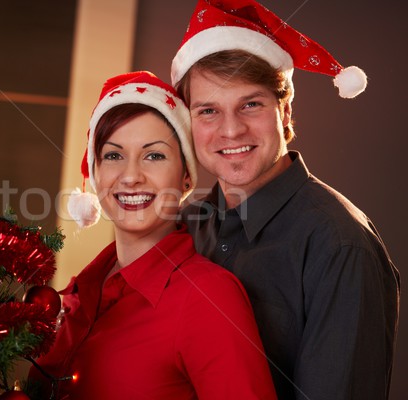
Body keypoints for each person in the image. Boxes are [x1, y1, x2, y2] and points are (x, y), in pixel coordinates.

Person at [170, 1, 401, 399]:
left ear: (286, 111)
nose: (231, 130)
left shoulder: (340, 244)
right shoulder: (182, 226)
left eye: (251, 104)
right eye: (208, 110)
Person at [28, 71, 276, 399]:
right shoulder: (75, 297)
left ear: (186, 177)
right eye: (114, 155)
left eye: (154, 155)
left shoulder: (208, 298)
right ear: (96, 172)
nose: (130, 176)